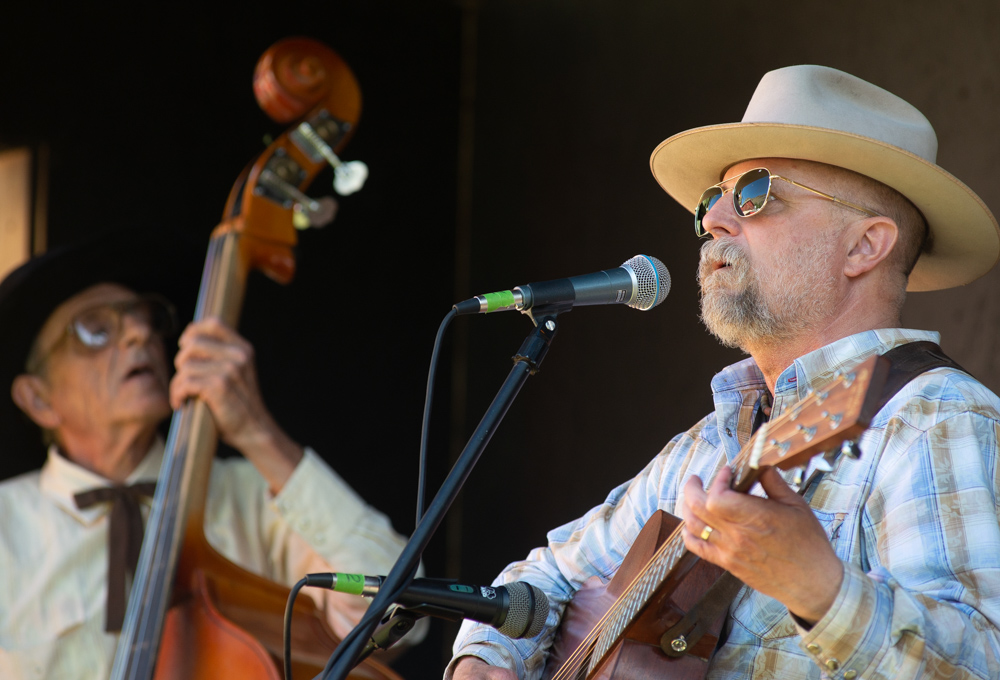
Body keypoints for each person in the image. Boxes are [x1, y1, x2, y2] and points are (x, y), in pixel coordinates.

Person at [448, 65, 1000, 679]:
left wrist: (823, 592)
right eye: (714, 198)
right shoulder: (708, 445)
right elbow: (546, 578)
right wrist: (483, 659)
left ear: (864, 246)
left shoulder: (933, 419)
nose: (713, 219)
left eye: (757, 193)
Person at [0, 231, 420, 678]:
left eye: (149, 319)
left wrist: (256, 430)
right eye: (96, 330)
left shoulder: (252, 493)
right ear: (38, 399)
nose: (141, 333)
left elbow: (397, 613)